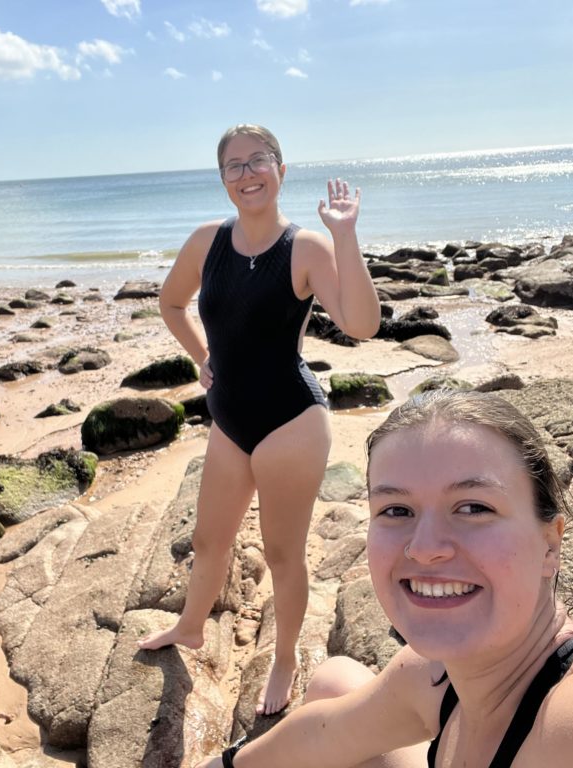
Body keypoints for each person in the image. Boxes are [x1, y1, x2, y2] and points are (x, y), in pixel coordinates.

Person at [196, 390, 573, 766]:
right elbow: (322, 733)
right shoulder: (434, 678)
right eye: (396, 510)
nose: (426, 549)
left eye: (473, 507)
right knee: (335, 681)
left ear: (549, 544)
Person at [136, 124, 381, 715]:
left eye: (259, 161)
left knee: (281, 555)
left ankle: (286, 659)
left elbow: (362, 323)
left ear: (281, 169)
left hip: (290, 423)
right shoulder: (206, 242)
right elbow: (171, 304)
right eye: (234, 166)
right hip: (228, 420)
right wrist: (203, 359)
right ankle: (190, 627)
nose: (247, 174)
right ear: (222, 179)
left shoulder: (305, 249)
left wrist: (344, 236)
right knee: (208, 539)